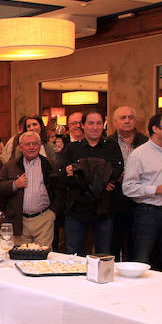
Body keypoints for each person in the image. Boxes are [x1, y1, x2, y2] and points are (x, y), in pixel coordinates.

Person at [121, 115, 162, 273]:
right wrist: (155, 189)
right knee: (142, 260)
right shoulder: (138, 155)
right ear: (155, 129)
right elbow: (128, 188)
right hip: (148, 213)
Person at [61, 109, 124, 255]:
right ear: (82, 125)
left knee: (104, 255)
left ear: (103, 125)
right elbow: (64, 178)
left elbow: (116, 171)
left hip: (104, 210)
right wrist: (102, 181)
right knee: (74, 255)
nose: (95, 127)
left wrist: (80, 169)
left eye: (99, 123)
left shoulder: (112, 146)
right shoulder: (72, 148)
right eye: (90, 123)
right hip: (77, 209)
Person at [0, 130, 61, 247]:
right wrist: (14, 184)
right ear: (21, 147)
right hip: (19, 221)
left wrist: (52, 213)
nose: (31, 147)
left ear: (40, 145)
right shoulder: (10, 166)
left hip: (44, 219)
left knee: (43, 259)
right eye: (27, 144)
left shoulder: (50, 165)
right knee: (21, 258)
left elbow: (60, 191)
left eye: (35, 144)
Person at [107, 106, 148, 261]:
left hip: (140, 201)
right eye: (123, 118)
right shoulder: (107, 143)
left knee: (136, 245)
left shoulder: (146, 142)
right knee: (113, 243)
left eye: (130, 117)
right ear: (115, 122)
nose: (127, 121)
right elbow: (103, 168)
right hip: (115, 200)